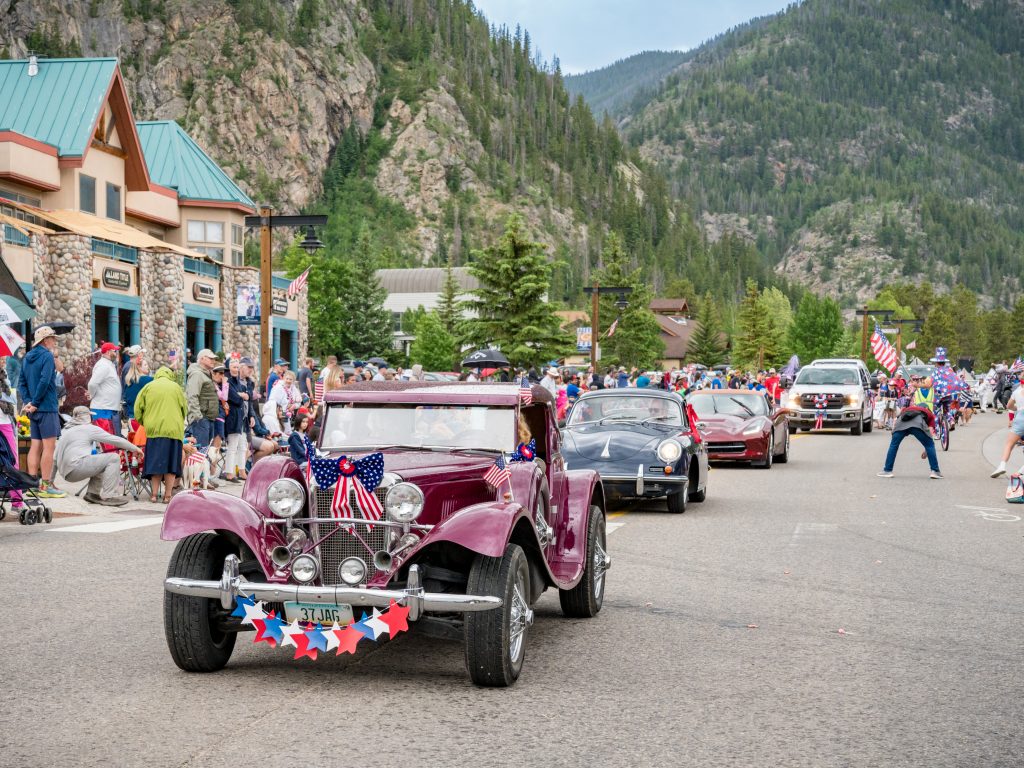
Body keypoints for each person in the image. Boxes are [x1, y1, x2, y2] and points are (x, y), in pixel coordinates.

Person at [54, 406, 143, 506]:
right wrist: (135, 448)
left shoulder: (65, 431)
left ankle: (92, 494)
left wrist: (49, 482)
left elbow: (54, 458)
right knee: (113, 458)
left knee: (101, 459)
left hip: (66, 473)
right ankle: (109, 496)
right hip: (77, 467)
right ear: (88, 417)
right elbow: (114, 439)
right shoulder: (90, 428)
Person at [17, 326, 65, 498]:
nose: (54, 341)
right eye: (52, 338)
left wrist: (29, 401)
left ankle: (32, 484)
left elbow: (21, 382)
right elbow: (45, 381)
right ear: (45, 340)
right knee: (49, 448)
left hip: (34, 409)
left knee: (35, 446)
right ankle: (45, 485)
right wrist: (35, 402)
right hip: (46, 407)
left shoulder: (27, 357)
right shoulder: (46, 356)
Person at [134, 366, 187, 503]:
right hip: (173, 432)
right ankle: (167, 496)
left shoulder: (148, 387)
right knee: (171, 466)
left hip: (154, 432)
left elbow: (137, 409)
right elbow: (184, 409)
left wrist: (146, 423)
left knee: (156, 464)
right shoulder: (176, 388)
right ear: (170, 375)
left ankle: (153, 494)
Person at [877, 375, 942, 479]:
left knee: (894, 445)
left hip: (902, 423)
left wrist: (894, 432)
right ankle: (935, 471)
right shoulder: (929, 413)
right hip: (918, 424)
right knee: (930, 444)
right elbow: (930, 435)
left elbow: (897, 419)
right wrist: (927, 449)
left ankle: (887, 471)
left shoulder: (909, 408)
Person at [989, 375, 1024, 478]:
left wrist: (1018, 408)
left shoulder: (1016, 392)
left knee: (1009, 444)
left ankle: (1002, 466)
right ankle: (1022, 470)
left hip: (1020, 418)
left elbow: (1009, 406)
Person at [0, 365, 24, 510]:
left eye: (3, 358)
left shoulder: (5, 375)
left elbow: (12, 399)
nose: (3, 361)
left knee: (13, 461)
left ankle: (17, 502)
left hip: (5, 423)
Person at [186, 349, 219, 449]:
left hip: (207, 419)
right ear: (202, 359)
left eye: (214, 359)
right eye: (210, 358)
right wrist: (198, 417)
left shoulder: (205, 374)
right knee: (201, 453)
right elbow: (192, 396)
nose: (213, 360)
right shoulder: (197, 374)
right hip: (201, 420)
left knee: (204, 452)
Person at [88, 341, 123, 435]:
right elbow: (92, 384)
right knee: (105, 443)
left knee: (109, 441)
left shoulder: (108, 364)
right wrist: (91, 395)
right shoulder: (103, 365)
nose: (116, 353)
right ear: (108, 352)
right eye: (114, 351)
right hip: (102, 409)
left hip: (107, 408)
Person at [223, 359, 249, 482]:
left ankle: (242, 471)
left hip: (242, 419)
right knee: (232, 446)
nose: (236, 369)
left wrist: (242, 394)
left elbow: (247, 395)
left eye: (237, 367)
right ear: (228, 368)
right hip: (233, 418)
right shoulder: (227, 381)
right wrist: (241, 395)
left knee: (243, 446)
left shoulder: (239, 382)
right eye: (233, 367)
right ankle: (229, 472)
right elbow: (235, 399)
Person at [263, 369, 301, 434]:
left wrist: (294, 406)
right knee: (283, 429)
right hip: (278, 413)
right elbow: (273, 402)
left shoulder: (293, 388)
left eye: (290, 379)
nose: (288, 381)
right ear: (284, 378)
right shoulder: (278, 388)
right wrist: (284, 408)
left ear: (293, 380)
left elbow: (299, 401)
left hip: (288, 413)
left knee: (287, 429)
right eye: (287, 378)